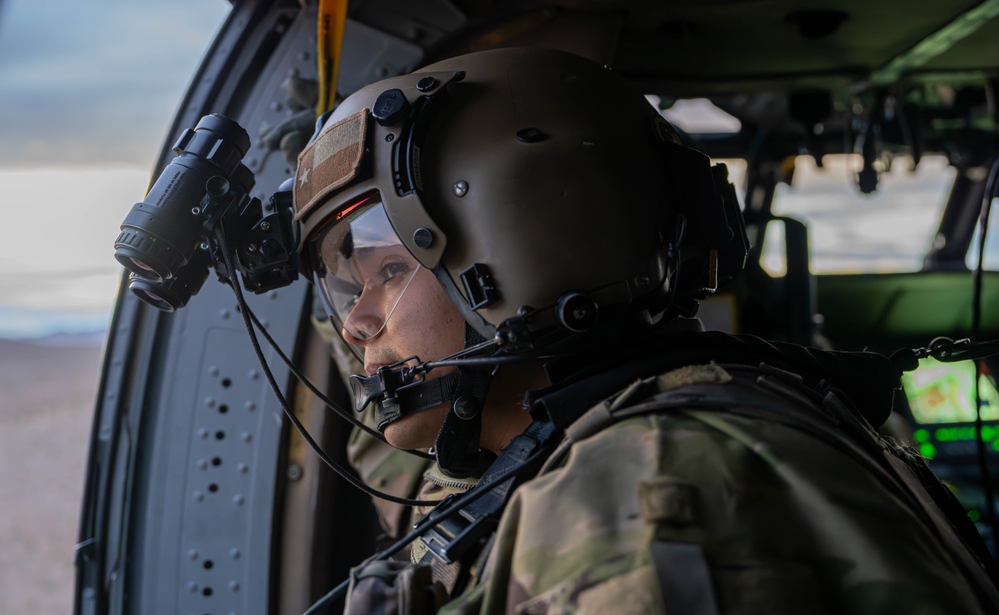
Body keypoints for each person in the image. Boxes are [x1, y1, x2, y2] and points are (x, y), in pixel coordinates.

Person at [291, 47, 999, 613]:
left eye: (386, 274)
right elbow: (437, 499)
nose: (355, 324)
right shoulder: (619, 434)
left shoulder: (641, 491)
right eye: (346, 290)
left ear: (511, 243)